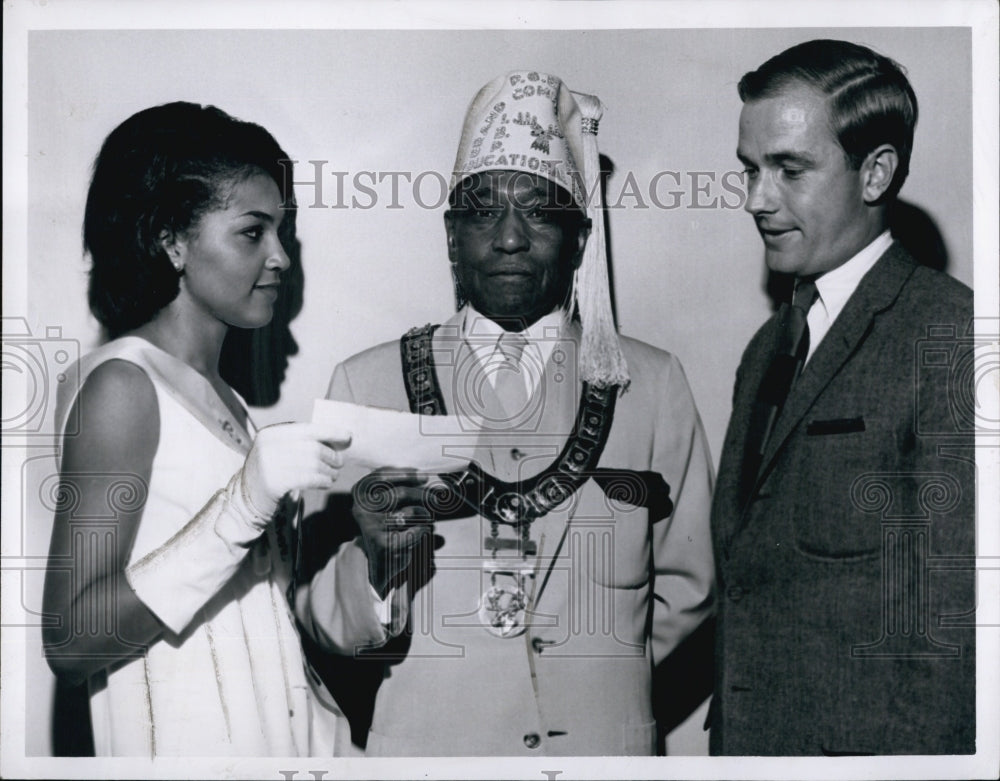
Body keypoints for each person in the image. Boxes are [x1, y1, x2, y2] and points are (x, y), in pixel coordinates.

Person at [297, 70, 715, 756]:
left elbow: (689, 588)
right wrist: (373, 568)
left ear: (580, 240)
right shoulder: (366, 383)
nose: (511, 237)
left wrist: (600, 688)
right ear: (452, 237)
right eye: (483, 211)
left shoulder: (652, 382)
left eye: (541, 210)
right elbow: (317, 609)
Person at [42, 102, 350, 757]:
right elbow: (69, 638)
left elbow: (256, 632)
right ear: (173, 239)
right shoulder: (122, 385)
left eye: (283, 233)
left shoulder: (233, 407)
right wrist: (244, 504)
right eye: (252, 233)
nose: (281, 259)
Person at [710, 40, 975, 755]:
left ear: (876, 172)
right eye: (750, 171)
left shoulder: (953, 339)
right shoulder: (767, 349)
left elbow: (958, 638)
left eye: (789, 169)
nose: (757, 200)